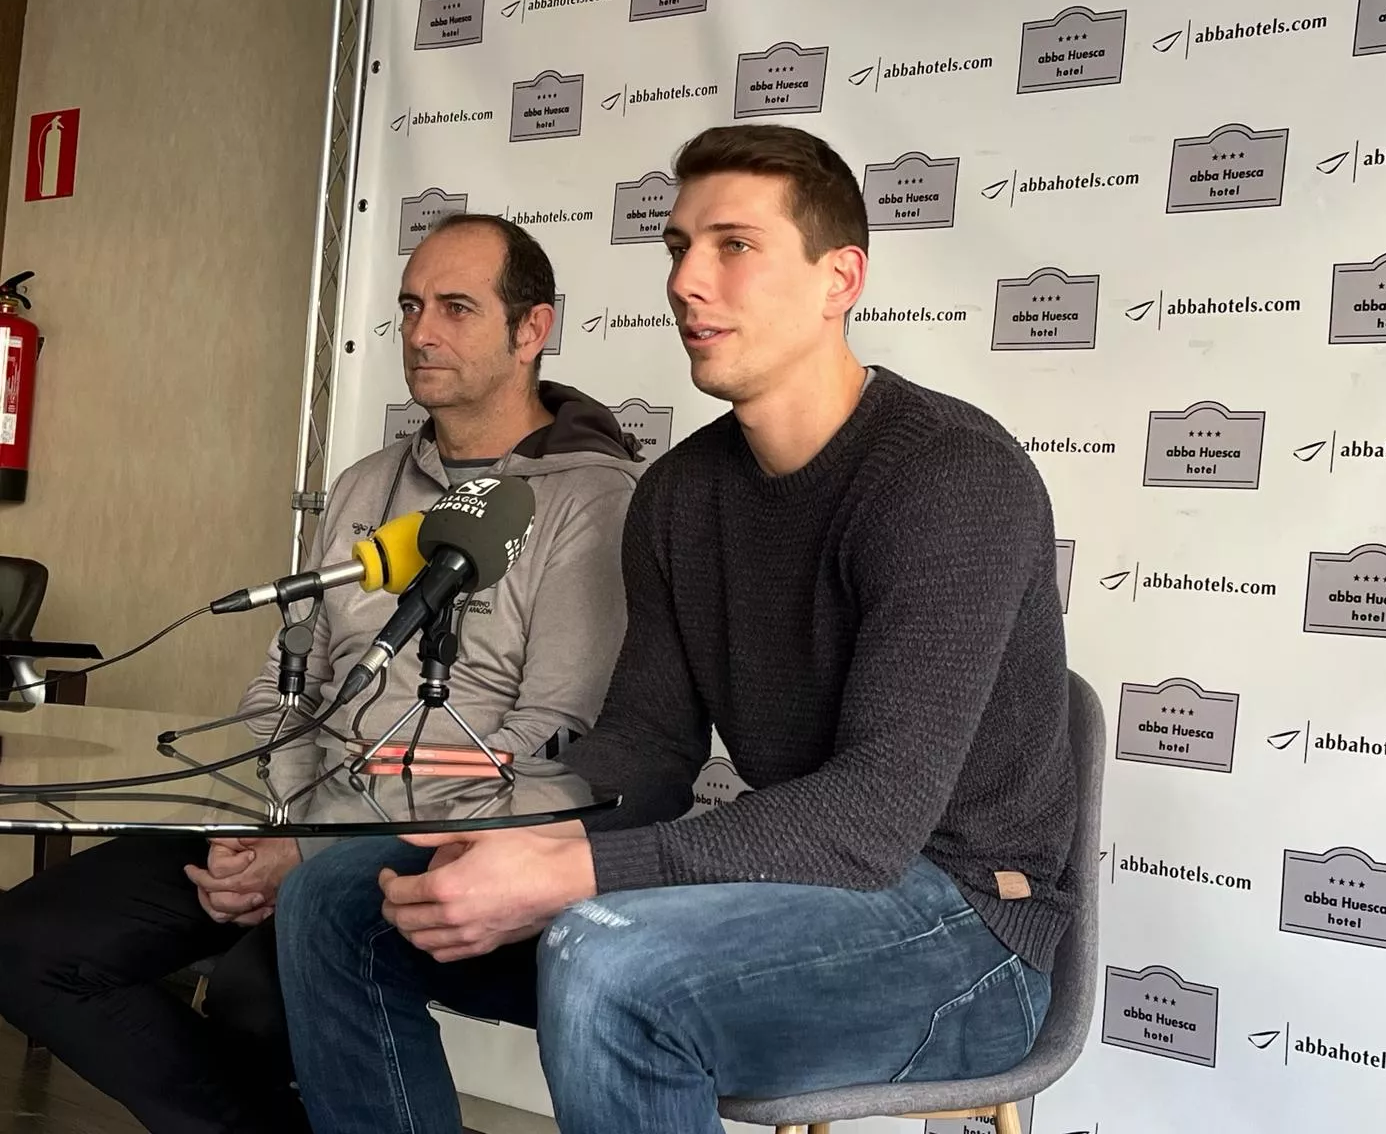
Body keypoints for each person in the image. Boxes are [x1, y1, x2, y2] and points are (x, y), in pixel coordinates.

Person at [272, 123, 1077, 1134]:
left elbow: (876, 817)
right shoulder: (682, 495)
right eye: (679, 247)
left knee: (609, 961)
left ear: (839, 280)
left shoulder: (950, 476)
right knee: (339, 900)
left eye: (734, 246)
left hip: (967, 931)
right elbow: (648, 755)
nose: (687, 282)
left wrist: (573, 871)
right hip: (794, 888)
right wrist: (523, 815)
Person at [0, 212, 646, 1134]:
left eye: (457, 308)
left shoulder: (593, 501)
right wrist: (252, 825)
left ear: (531, 330)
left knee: (257, 998)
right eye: (410, 307)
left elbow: (548, 746)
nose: (421, 333)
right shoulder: (365, 484)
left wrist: (306, 857)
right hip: (289, 820)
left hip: (435, 846)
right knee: (27, 944)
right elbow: (283, 684)